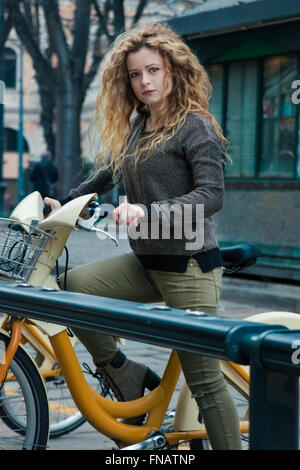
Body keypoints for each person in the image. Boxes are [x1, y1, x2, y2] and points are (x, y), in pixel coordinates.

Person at [45, 23, 242, 449]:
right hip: (147, 263)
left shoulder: (195, 125)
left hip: (189, 267)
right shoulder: (140, 124)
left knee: (205, 383)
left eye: (153, 70)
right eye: (135, 74)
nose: (145, 82)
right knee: (72, 289)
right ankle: (125, 373)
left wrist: (148, 211)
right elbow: (112, 171)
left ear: (173, 70)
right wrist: (67, 203)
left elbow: (212, 195)